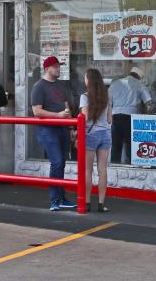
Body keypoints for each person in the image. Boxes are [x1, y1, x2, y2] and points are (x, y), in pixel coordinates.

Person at [30, 56, 77, 211]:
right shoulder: (39, 86)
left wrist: (70, 127)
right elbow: (36, 111)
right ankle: (55, 200)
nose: (58, 68)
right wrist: (57, 116)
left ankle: (61, 197)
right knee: (56, 162)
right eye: (55, 66)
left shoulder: (61, 85)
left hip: (62, 128)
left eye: (59, 66)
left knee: (61, 162)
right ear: (47, 68)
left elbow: (65, 106)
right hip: (48, 129)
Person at [80, 68, 111, 213]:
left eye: (86, 78)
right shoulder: (106, 96)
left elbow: (84, 118)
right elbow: (109, 119)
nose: (84, 80)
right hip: (105, 134)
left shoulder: (84, 97)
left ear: (89, 80)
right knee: (102, 170)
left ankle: (86, 202)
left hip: (90, 134)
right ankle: (101, 204)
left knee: (87, 170)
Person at [108, 66, 151, 163]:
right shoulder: (139, 84)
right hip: (130, 118)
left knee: (116, 146)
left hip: (116, 117)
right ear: (139, 77)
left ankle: (115, 167)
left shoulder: (115, 83)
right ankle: (130, 166)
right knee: (130, 145)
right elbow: (149, 102)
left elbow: (108, 103)